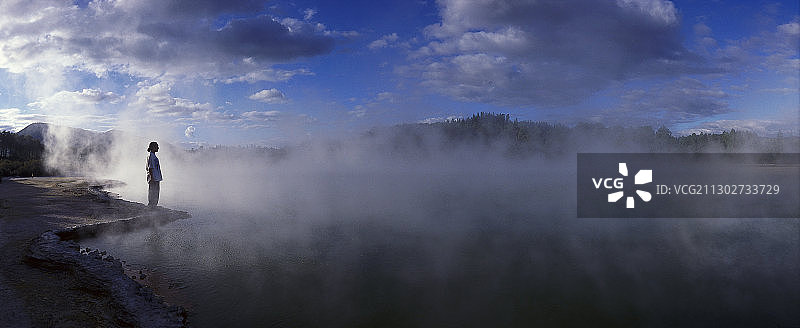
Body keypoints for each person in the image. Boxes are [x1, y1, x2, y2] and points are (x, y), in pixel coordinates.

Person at [146, 141, 162, 208]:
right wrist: (152, 178)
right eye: (157, 146)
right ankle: (152, 206)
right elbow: (151, 168)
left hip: (155, 178)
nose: (158, 147)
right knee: (153, 193)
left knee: (155, 193)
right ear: (153, 147)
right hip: (154, 178)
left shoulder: (153, 156)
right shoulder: (151, 156)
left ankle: (153, 206)